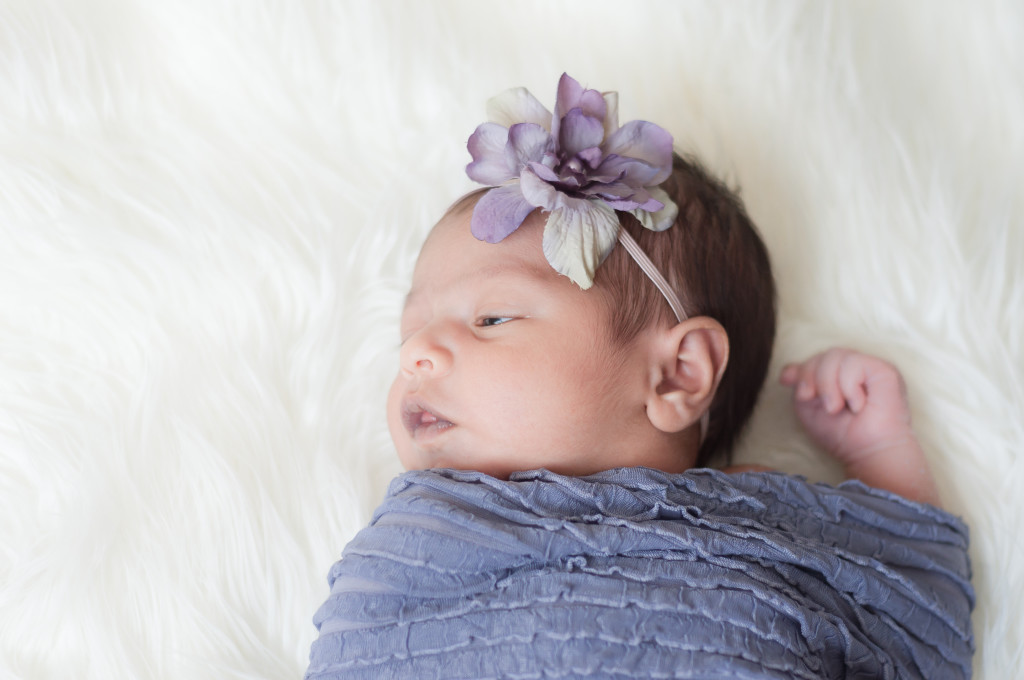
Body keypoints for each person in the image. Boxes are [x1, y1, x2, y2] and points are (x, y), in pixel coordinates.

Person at [306, 73, 971, 679]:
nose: (415, 354)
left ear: (677, 375)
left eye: (491, 319)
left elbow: (910, 598)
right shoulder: (420, 542)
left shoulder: (748, 518)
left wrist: (880, 451)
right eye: (409, 331)